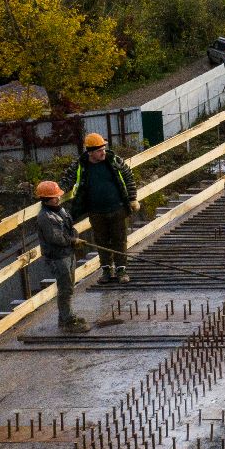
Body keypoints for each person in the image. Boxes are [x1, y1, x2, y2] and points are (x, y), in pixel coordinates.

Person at [63, 133, 137, 283]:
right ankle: (106, 270)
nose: (103, 152)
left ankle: (121, 270)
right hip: (95, 211)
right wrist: (56, 193)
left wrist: (132, 198)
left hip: (117, 208)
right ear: (90, 152)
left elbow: (128, 177)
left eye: (104, 148)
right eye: (99, 150)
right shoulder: (81, 165)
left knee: (119, 240)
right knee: (101, 241)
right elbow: (67, 180)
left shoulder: (114, 160)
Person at [34, 180, 89, 333]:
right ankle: (67, 321)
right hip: (57, 257)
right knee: (65, 289)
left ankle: (65, 317)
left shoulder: (59, 211)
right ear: (45, 199)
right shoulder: (45, 217)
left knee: (69, 287)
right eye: (54, 197)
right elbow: (55, 238)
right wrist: (73, 240)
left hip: (67, 253)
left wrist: (75, 236)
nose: (58, 198)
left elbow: (70, 227)